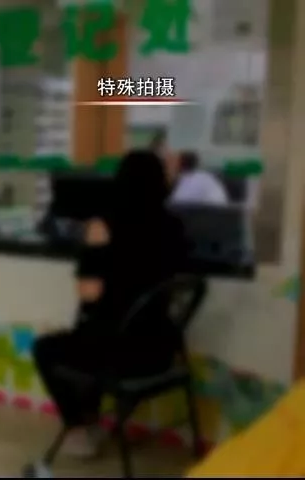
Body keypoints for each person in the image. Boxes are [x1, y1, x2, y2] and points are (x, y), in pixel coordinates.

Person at [32, 150, 189, 458]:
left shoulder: (106, 226)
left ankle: (79, 429)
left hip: (121, 355)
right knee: (89, 338)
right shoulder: (174, 226)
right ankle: (91, 422)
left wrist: (93, 247)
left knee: (47, 348)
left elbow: (88, 293)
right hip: (161, 350)